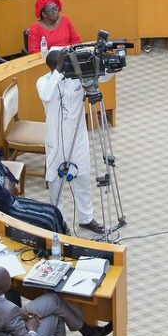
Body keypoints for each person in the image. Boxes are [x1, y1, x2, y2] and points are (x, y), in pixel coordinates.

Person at [38, 49, 104, 233]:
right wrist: (58, 73)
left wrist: (103, 63)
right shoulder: (44, 82)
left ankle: (86, 218)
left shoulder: (77, 78)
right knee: (55, 182)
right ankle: (59, 222)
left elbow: (101, 78)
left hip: (78, 138)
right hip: (56, 141)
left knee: (82, 177)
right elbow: (46, 95)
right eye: (61, 63)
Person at [0, 130, 68, 232]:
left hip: (12, 201)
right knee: (46, 221)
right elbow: (2, 200)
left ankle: (64, 244)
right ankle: (54, 247)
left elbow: (9, 175)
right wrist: (7, 186)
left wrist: (6, 188)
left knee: (54, 211)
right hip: (0, 212)